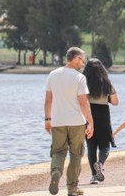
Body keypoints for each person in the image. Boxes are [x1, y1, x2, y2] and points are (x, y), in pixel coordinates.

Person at [44, 47, 94, 196]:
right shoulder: (79, 78)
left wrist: (47, 119)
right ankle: (72, 188)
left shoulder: (52, 75)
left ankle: (56, 172)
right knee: (76, 153)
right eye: (81, 59)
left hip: (57, 121)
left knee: (58, 151)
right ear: (75, 58)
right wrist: (90, 122)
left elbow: (48, 100)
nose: (83, 63)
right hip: (76, 122)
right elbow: (83, 103)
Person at [82, 58, 119, 185]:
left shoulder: (83, 82)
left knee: (91, 146)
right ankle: (100, 163)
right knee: (105, 145)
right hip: (103, 114)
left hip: (88, 114)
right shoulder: (106, 83)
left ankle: (93, 176)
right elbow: (115, 102)